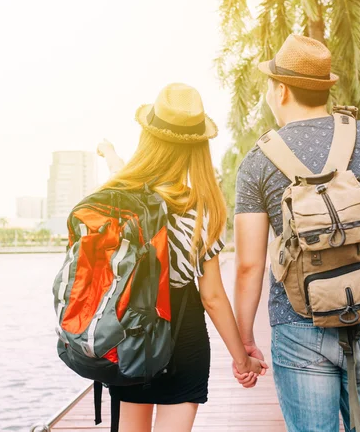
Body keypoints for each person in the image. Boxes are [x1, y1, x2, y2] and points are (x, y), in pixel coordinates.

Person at [233, 35, 360, 432]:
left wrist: (244, 340)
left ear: (281, 90)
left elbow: (249, 264)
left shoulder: (258, 160)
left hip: (297, 323)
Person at [97, 82, 268, 432]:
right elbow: (212, 297)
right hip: (182, 337)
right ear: (197, 147)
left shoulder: (118, 198)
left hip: (130, 335)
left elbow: (119, 170)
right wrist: (242, 359)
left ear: (148, 140)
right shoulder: (202, 209)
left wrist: (109, 151)